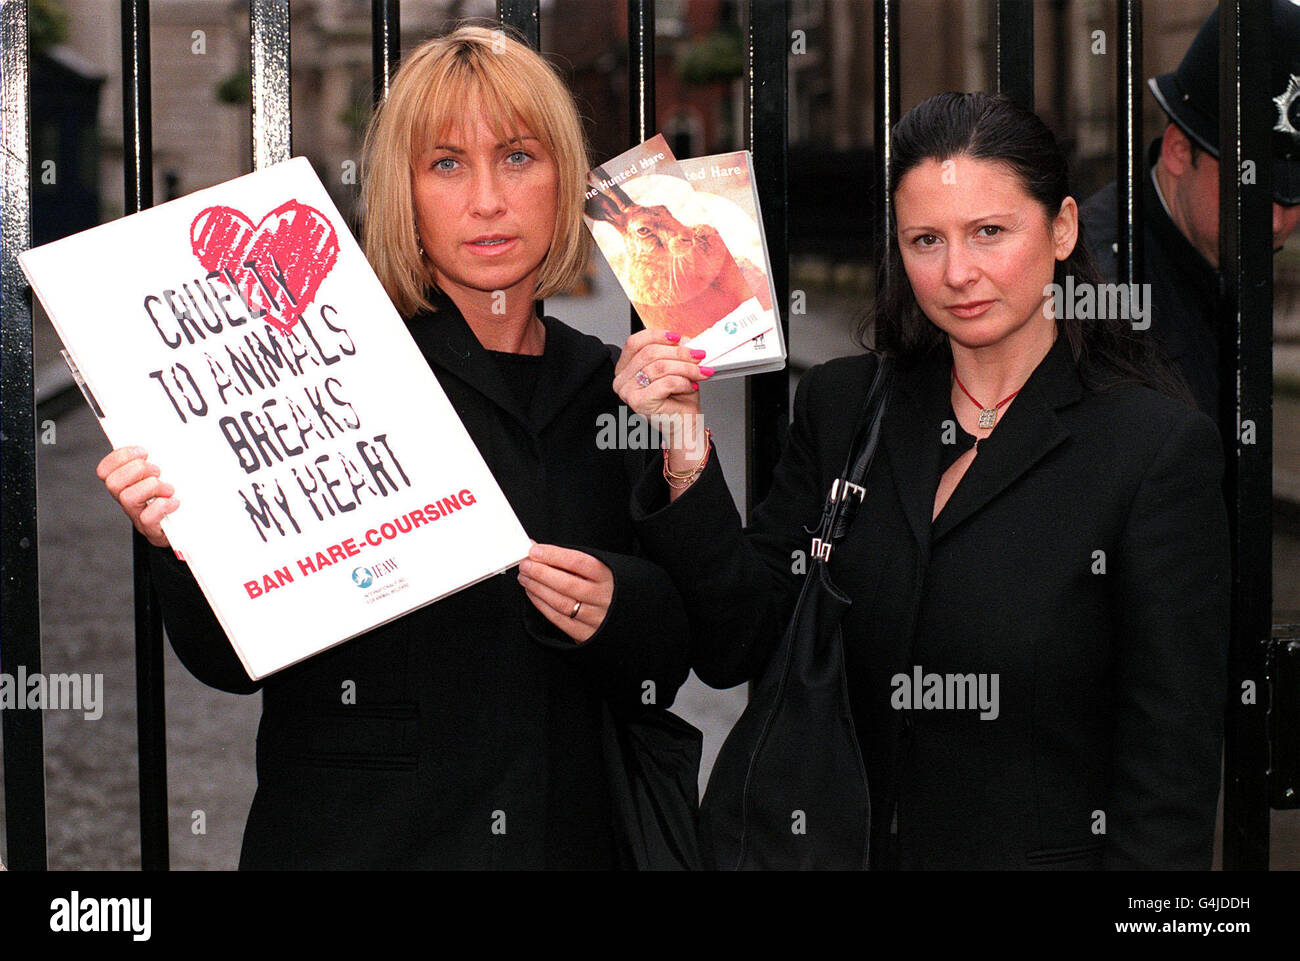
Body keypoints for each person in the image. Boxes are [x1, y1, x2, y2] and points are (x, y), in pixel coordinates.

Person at [95, 25, 691, 869]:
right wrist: (176, 542)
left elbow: (685, 654)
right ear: (402, 193)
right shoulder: (317, 372)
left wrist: (618, 602)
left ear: (563, 179)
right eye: (446, 163)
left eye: (517, 157)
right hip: (362, 841)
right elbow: (229, 664)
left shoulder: (613, 385)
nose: (487, 199)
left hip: (566, 837)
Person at [618, 91, 1230, 869]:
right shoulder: (844, 408)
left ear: (1064, 227)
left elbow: (1167, 781)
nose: (958, 272)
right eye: (926, 240)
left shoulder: (1153, 451)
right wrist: (683, 444)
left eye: (990, 232)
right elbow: (740, 640)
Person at [1080, 0, 1300, 420]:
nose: (1275, 221)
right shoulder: (1097, 291)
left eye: (1293, 196)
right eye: (1250, 188)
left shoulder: (1202, 250)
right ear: (1179, 151)